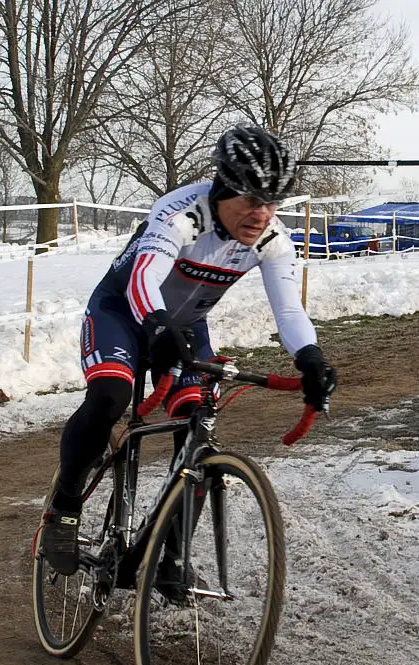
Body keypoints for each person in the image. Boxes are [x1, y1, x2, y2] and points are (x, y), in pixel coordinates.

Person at [42, 124, 337, 576]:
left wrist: (311, 358)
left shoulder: (271, 238)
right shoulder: (181, 212)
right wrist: (156, 328)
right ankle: (63, 508)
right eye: (252, 199)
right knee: (109, 398)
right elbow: (143, 278)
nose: (263, 213)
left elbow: (289, 309)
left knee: (197, 423)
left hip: (184, 325)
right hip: (122, 312)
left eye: (273, 201)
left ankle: (172, 554)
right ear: (222, 187)